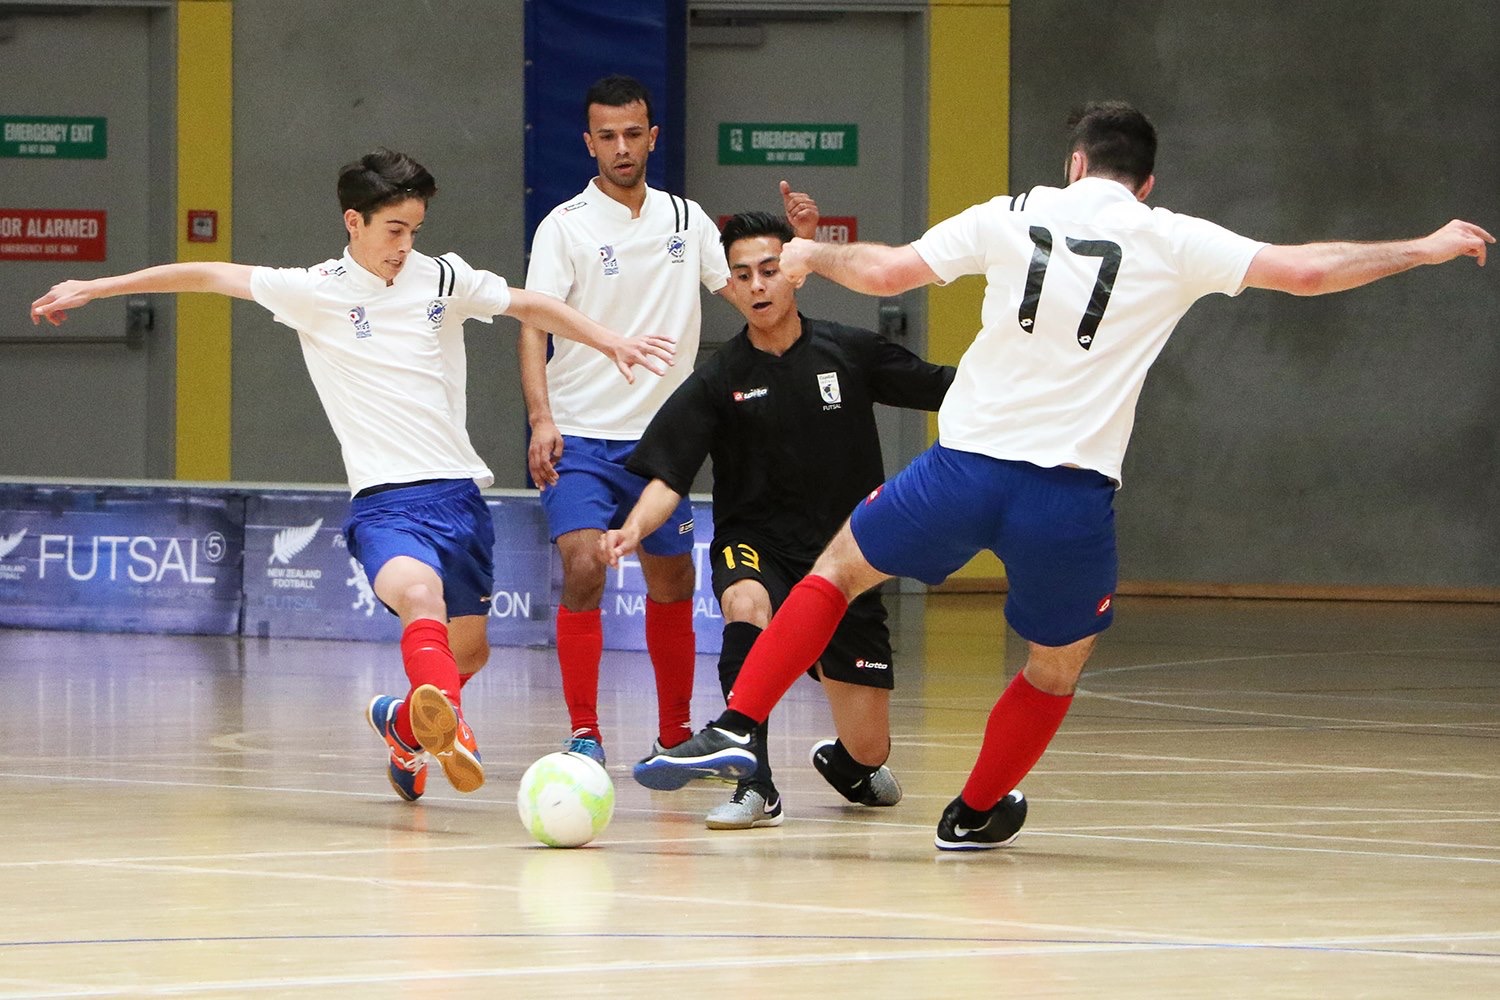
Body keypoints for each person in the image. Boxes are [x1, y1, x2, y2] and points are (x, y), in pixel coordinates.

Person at [632, 101, 1494, 849]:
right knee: (1055, 664)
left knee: (835, 572)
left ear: (1074, 163)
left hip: (962, 469)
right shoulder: (1173, 237)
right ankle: (972, 813)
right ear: (1145, 183)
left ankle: (740, 728)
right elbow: (1306, 272)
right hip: (1070, 497)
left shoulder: (1012, 212)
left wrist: (814, 257)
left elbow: (889, 271)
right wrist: (1423, 247)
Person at [30, 148, 673, 804]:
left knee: (471, 653)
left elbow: (528, 303)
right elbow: (205, 274)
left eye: (414, 231)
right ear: (354, 222)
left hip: (459, 498)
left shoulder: (442, 279)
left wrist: (609, 340)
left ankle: (404, 724)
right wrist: (95, 288)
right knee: (418, 598)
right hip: (384, 506)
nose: (404, 246)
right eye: (394, 231)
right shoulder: (316, 291)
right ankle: (449, 728)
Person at [601, 210, 954, 829]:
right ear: (730, 288)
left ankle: (849, 766)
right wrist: (633, 527)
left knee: (872, 750)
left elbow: (941, 387)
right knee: (745, 603)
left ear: (795, 275)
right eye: (743, 276)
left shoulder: (848, 350)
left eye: (769, 270)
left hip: (846, 556)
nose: (758, 285)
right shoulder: (718, 378)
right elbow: (668, 474)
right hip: (755, 541)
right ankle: (754, 783)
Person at [520, 74, 817, 765]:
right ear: (588, 142)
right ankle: (585, 733)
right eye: (607, 136)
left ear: (651, 137)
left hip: (664, 444)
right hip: (581, 436)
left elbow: (752, 294)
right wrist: (541, 419)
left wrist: (798, 251)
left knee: (674, 579)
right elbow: (532, 326)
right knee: (586, 564)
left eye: (633, 134)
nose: (621, 148)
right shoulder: (562, 227)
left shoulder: (685, 219)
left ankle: (676, 733)